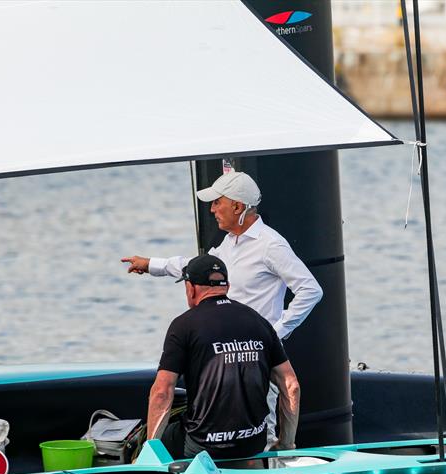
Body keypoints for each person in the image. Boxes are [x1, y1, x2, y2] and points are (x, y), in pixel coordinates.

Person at [123, 171, 321, 445]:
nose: (213, 209)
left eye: (218, 202)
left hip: (256, 357)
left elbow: (310, 290)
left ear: (238, 207)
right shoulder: (231, 242)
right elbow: (196, 267)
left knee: (263, 432)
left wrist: (275, 333)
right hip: (223, 355)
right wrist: (152, 264)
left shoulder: (271, 245)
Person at [146, 254, 300, 460]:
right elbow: (291, 386)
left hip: (203, 445)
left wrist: (149, 454)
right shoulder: (259, 322)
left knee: (148, 440)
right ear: (226, 286)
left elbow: (162, 392)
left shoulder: (183, 325)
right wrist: (286, 444)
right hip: (252, 442)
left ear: (190, 288)